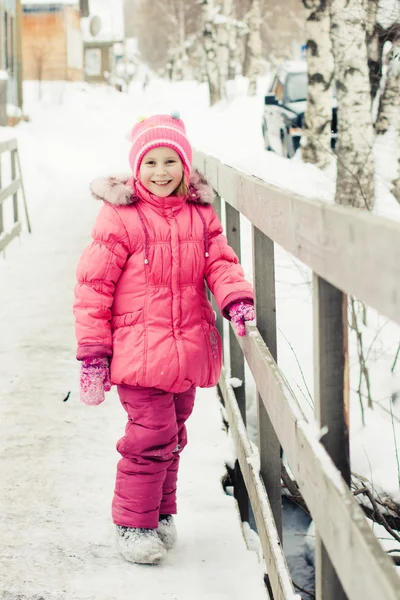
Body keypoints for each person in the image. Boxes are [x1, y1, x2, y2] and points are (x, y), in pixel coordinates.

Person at [73, 113, 255, 565]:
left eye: (170, 161)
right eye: (150, 162)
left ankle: (161, 513)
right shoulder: (120, 217)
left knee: (173, 435)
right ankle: (133, 525)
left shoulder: (200, 214)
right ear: (136, 167)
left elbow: (221, 263)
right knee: (149, 435)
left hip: (186, 350)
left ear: (185, 165)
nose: (160, 172)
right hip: (137, 352)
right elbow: (93, 288)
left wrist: (235, 299)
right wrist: (94, 355)